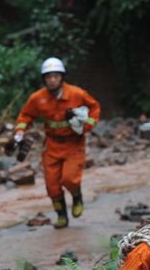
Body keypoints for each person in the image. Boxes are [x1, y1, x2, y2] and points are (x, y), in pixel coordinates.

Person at [10, 57, 101, 229]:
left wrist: (88, 125)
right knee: (52, 185)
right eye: (48, 76)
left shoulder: (77, 94)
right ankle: (61, 217)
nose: (52, 80)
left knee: (70, 178)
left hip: (74, 143)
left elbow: (95, 107)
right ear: (44, 79)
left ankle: (76, 196)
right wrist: (20, 130)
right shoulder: (38, 98)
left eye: (55, 76)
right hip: (52, 144)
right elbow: (26, 115)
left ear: (61, 77)